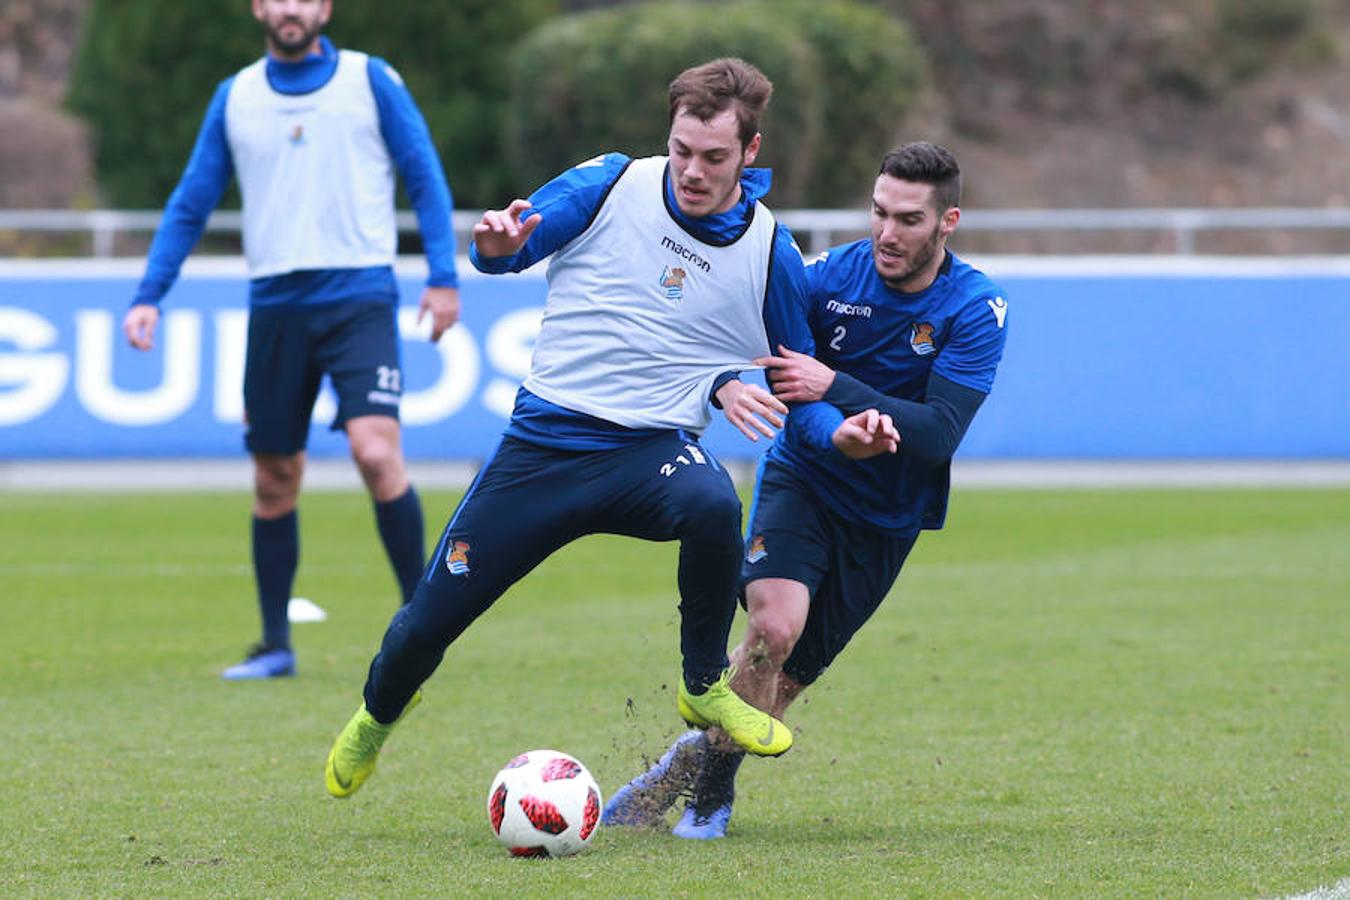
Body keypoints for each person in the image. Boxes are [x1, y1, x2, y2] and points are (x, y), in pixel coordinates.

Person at [324, 57, 900, 799]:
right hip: (544, 448)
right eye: (683, 150)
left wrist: (836, 435)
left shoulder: (769, 255)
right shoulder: (611, 183)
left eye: (714, 158)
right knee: (423, 626)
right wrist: (495, 245)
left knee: (714, 503)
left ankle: (702, 684)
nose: (692, 172)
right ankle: (376, 716)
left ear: (750, 153)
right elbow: (507, 247)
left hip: (648, 452)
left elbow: (801, 387)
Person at [602, 141, 1010, 839]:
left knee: (777, 689)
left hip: (887, 518)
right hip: (804, 480)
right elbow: (776, 359)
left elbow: (939, 433)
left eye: (909, 220)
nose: (887, 232)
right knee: (772, 629)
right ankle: (709, 804)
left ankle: (679, 768)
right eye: (879, 212)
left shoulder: (975, 307)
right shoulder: (828, 279)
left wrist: (839, 387)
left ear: (948, 222)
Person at [123, 0, 461, 680]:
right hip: (275, 304)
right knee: (275, 477)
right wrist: (149, 295)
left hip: (358, 295)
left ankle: (419, 630)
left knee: (374, 451)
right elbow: (192, 200)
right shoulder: (236, 96)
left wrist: (443, 275)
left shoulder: (371, 79)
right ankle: (275, 645)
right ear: (259, 7)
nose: (290, 8)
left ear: (324, 7)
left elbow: (422, 172)